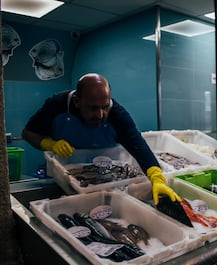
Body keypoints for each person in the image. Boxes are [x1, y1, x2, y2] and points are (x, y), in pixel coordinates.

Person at [22, 72, 180, 205]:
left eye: (104, 107)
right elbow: (28, 133)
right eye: (93, 108)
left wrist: (157, 178)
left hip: (107, 181)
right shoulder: (56, 104)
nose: (100, 114)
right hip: (63, 178)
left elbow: (137, 145)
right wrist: (49, 144)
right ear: (77, 102)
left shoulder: (118, 114)